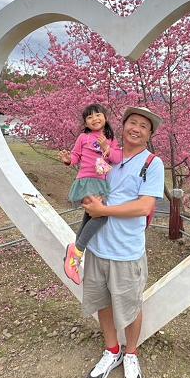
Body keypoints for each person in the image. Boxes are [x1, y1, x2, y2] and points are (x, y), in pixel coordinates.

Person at [80, 106, 164, 378]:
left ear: (149, 134)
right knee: (103, 302)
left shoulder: (152, 163)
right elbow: (90, 179)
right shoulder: (108, 154)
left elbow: (145, 206)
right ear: (123, 125)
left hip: (127, 250)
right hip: (97, 247)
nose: (136, 128)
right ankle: (112, 350)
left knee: (130, 305)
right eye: (132, 122)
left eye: (144, 126)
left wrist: (104, 211)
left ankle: (131, 353)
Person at [59, 104, 123, 285]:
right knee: (101, 216)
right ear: (85, 123)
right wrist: (67, 160)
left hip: (102, 183)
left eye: (98, 115)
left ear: (105, 117)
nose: (94, 119)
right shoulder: (83, 137)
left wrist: (107, 148)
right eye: (89, 117)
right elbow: (75, 156)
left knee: (91, 214)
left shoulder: (110, 138)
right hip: (86, 180)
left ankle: (74, 257)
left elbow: (117, 159)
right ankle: (77, 251)